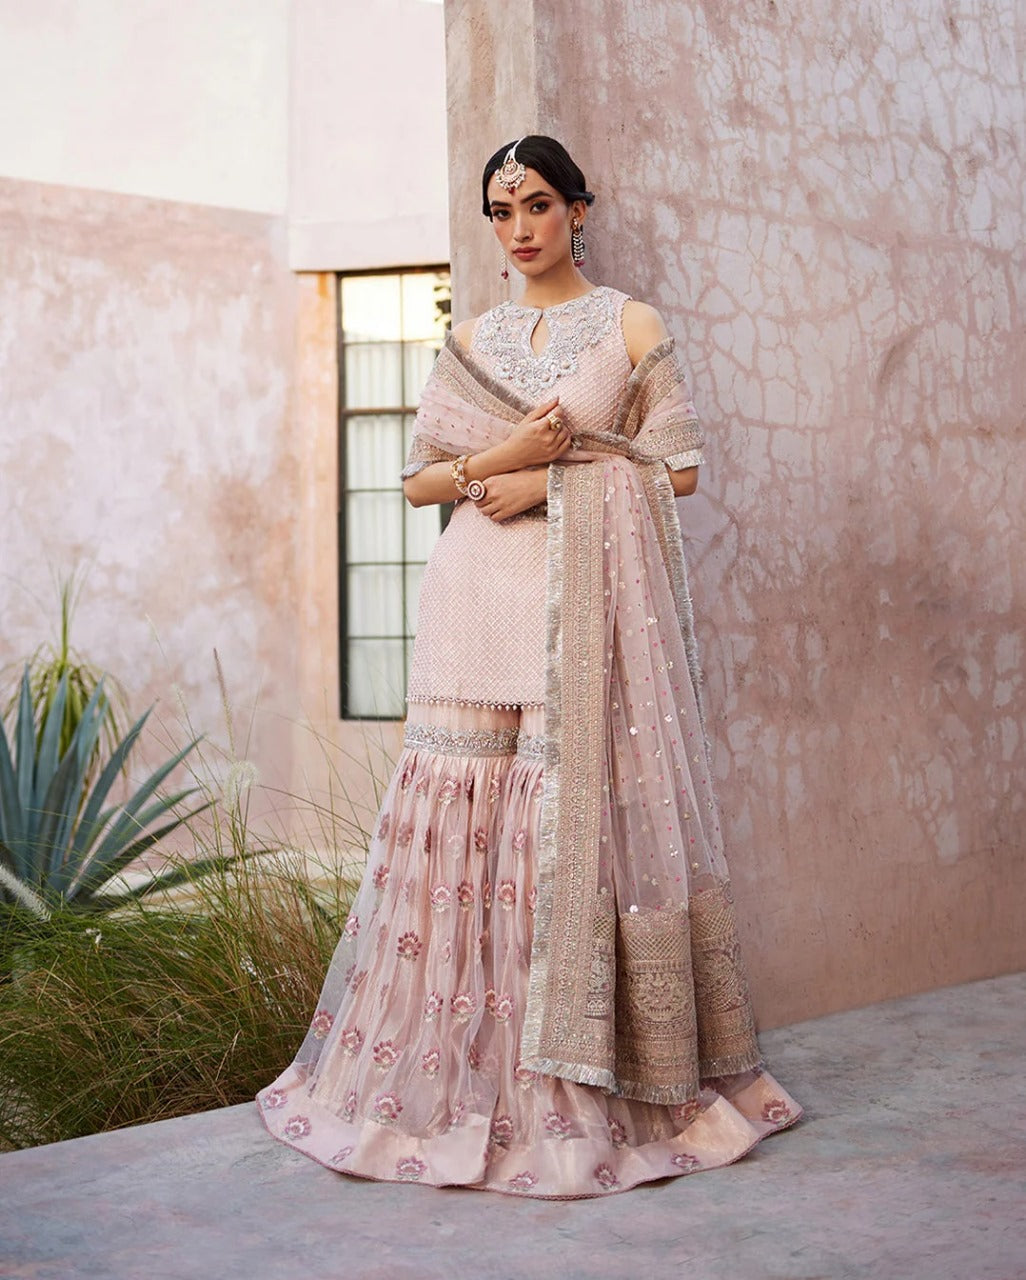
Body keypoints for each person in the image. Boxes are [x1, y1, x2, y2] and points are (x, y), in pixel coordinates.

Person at [258, 135, 801, 1197]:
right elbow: (420, 483)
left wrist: (552, 490)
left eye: (539, 204)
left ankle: (574, 1086)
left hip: (579, 616)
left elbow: (678, 468)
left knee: (562, 822)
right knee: (466, 828)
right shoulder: (475, 338)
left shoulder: (631, 324)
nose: (520, 229)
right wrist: (508, 461)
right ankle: (458, 1076)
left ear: (579, 211)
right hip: (474, 607)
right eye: (502, 210)